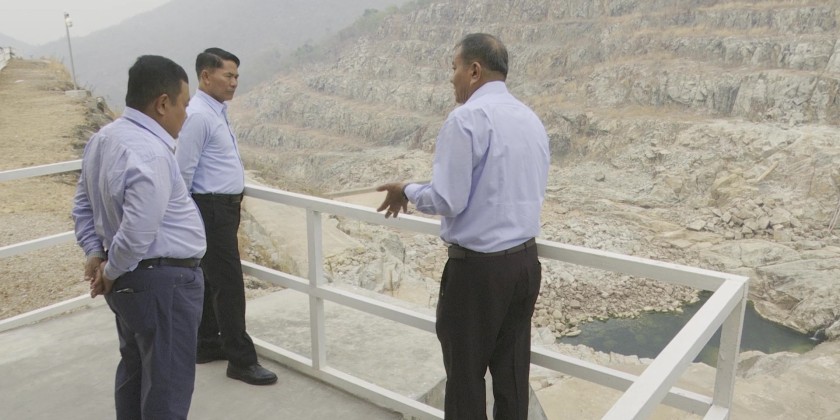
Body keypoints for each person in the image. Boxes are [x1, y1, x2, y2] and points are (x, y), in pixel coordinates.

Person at [377, 33, 550, 419]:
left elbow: (448, 200)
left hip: (478, 272)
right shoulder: (530, 119)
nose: (451, 77)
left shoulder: (467, 118)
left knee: (465, 378)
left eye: (454, 68)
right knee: (512, 376)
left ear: (474, 70)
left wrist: (407, 189)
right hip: (525, 264)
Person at [72, 55, 206, 419]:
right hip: (163, 284)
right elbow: (138, 231)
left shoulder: (103, 139)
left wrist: (95, 253)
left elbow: (82, 204)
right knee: (166, 389)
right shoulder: (150, 152)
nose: (186, 115)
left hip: (132, 283)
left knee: (135, 373)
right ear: (162, 103)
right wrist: (110, 270)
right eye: (184, 104)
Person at [175, 47, 277, 385]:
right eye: (228, 76)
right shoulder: (199, 116)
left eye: (236, 76)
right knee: (229, 284)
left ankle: (206, 343)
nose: (234, 82)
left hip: (222, 207)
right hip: (210, 208)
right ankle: (241, 360)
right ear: (206, 76)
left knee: (211, 279)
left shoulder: (215, 110)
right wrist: (188, 216)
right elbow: (182, 172)